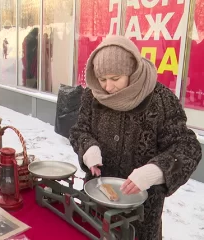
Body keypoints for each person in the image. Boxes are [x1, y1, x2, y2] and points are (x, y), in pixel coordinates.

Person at [69, 35, 202, 240]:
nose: (107, 87)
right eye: (102, 79)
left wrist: (156, 171)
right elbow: (80, 130)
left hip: (142, 213)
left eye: (115, 79)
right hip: (97, 201)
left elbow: (188, 147)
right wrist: (88, 148)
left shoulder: (161, 99)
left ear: (132, 72)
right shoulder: (92, 95)